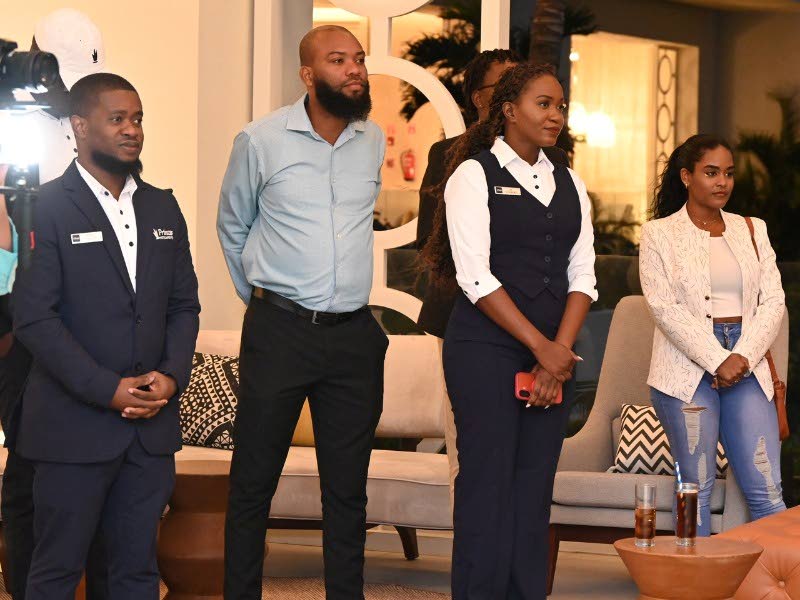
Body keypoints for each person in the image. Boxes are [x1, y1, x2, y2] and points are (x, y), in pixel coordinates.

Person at [12, 73, 200, 599]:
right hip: (72, 429)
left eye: (137, 119)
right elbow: (35, 320)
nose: (132, 130)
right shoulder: (42, 207)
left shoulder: (164, 207)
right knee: (55, 572)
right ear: (79, 126)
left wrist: (170, 376)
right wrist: (107, 389)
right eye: (117, 119)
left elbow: (184, 304)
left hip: (150, 434)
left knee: (137, 573)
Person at [217, 25, 388, 600]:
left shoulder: (374, 139)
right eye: (338, 60)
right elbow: (233, 226)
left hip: (354, 337)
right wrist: (266, 305)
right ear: (308, 75)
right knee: (252, 482)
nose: (354, 70)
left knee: (348, 492)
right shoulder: (260, 140)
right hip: (280, 331)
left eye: (359, 59)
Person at [419, 63, 597, 599]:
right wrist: (542, 348)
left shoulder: (571, 181)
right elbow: (474, 276)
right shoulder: (473, 175)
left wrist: (557, 352)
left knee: (533, 486)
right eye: (544, 104)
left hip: (553, 354)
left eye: (561, 106)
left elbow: (583, 273)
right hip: (485, 351)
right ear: (508, 109)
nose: (555, 116)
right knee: (486, 484)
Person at [416, 48, 570, 508]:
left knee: (527, 466)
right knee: (475, 456)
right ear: (485, 100)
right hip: (471, 321)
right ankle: (477, 551)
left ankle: (510, 562)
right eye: (504, 86)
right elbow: (434, 242)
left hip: (539, 324)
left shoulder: (554, 162)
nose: (547, 111)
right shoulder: (453, 158)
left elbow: (563, 249)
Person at [0, 9, 107, 599]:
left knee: (91, 479)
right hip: (20, 330)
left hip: (88, 334)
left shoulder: (109, 121)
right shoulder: (13, 125)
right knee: (23, 483)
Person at [639, 134, 786, 535]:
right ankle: (694, 584)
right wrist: (718, 359)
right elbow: (663, 306)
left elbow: (774, 301)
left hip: (747, 362)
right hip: (684, 370)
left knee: (766, 487)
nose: (722, 182)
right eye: (710, 172)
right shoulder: (658, 234)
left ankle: (784, 586)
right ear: (687, 177)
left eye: (728, 173)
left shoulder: (752, 229)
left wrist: (742, 356)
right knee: (695, 486)